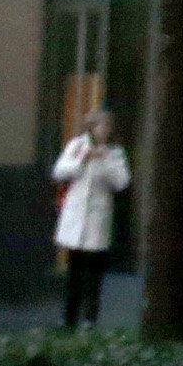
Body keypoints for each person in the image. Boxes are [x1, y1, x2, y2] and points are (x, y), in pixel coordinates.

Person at [50, 107, 127, 329]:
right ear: (91, 128)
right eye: (100, 126)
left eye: (107, 127)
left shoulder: (115, 152)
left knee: (94, 272)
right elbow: (59, 172)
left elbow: (121, 182)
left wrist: (105, 161)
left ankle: (90, 318)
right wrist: (82, 159)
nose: (104, 130)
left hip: (98, 217)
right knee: (74, 270)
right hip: (76, 215)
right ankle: (69, 317)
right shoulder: (76, 146)